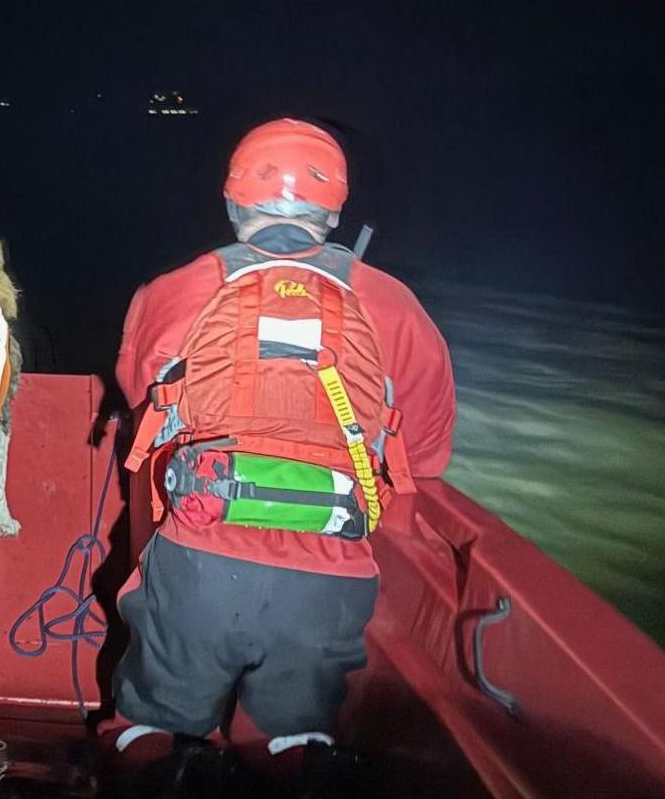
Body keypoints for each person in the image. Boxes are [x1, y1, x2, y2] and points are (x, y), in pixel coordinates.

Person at [106, 117, 456, 785]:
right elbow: (430, 450)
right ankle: (280, 751)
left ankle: (149, 752)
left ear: (236, 201)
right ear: (334, 207)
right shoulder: (395, 305)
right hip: (333, 570)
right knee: (285, 747)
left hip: (199, 557)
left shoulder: (176, 289)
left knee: (149, 729)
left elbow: (138, 391)